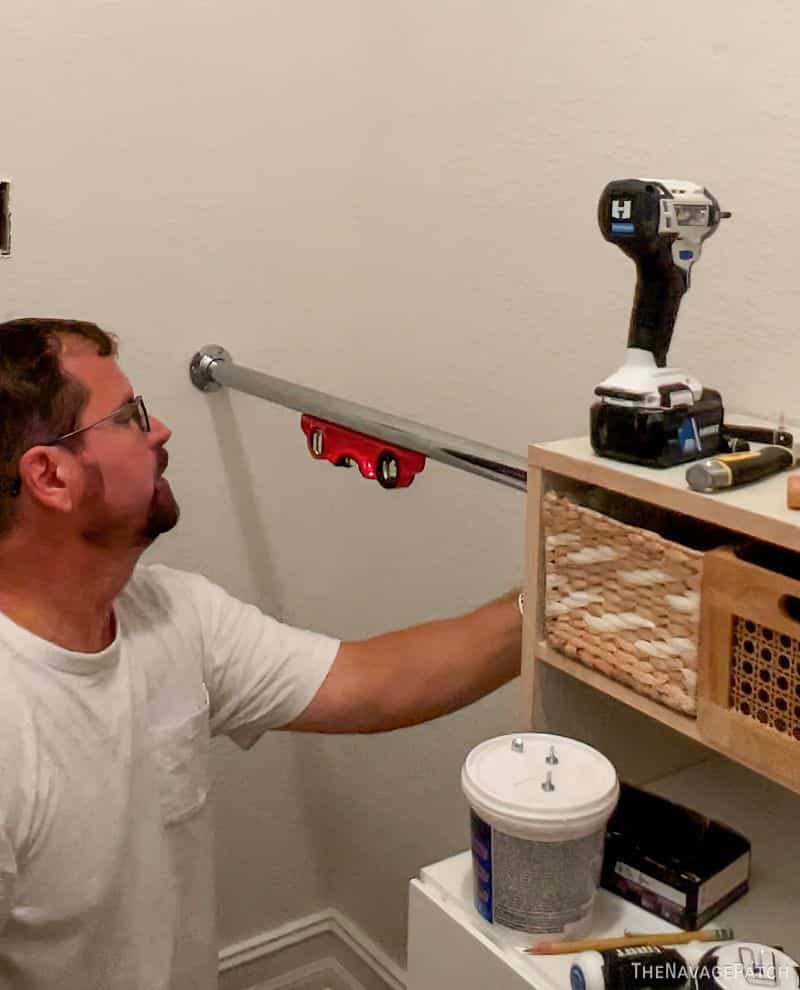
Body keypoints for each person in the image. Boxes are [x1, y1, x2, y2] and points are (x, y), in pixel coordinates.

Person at [0, 317, 522, 989]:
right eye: (129, 416)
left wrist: (562, 589)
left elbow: (375, 683)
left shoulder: (174, 614)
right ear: (50, 475)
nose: (160, 429)